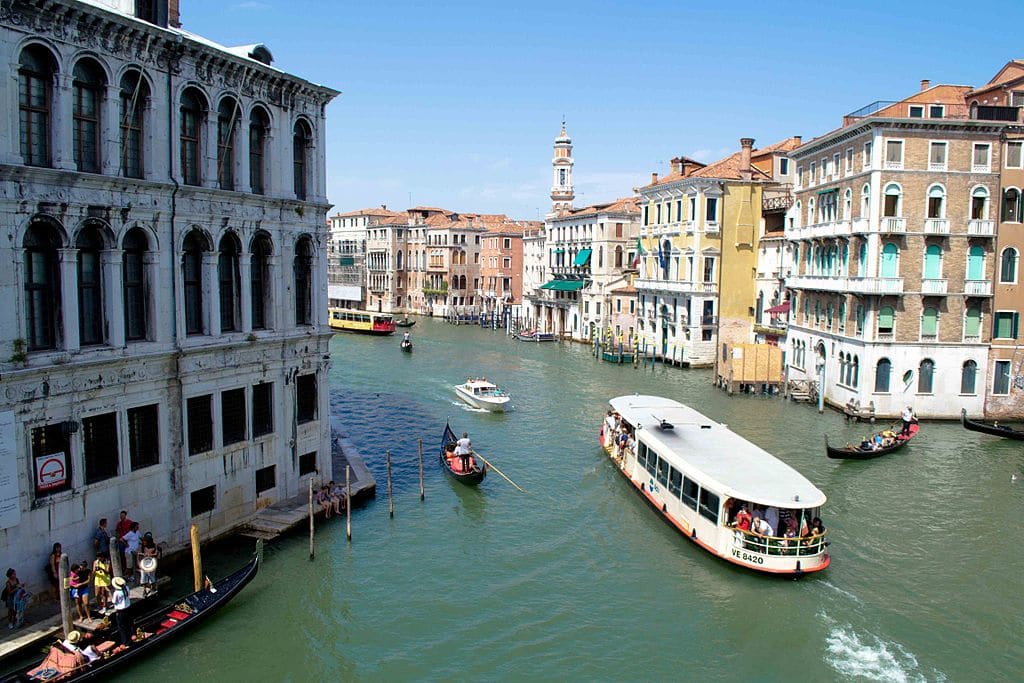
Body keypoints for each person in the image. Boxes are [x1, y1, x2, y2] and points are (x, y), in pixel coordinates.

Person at [110, 576, 132, 645]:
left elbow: (114, 601)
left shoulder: (116, 592)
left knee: (122, 627)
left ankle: (125, 642)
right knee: (129, 624)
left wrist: (109, 594)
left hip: (121, 611)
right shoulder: (127, 588)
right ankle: (131, 637)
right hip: (128, 609)